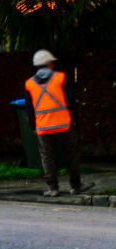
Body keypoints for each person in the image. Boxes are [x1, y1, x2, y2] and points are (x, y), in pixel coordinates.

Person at [24, 50, 84, 197]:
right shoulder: (60, 78)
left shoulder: (29, 84)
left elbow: (29, 109)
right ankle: (75, 186)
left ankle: (53, 188)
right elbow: (71, 101)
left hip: (43, 129)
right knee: (71, 155)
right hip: (64, 125)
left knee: (47, 158)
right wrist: (74, 120)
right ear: (50, 63)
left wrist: (33, 126)